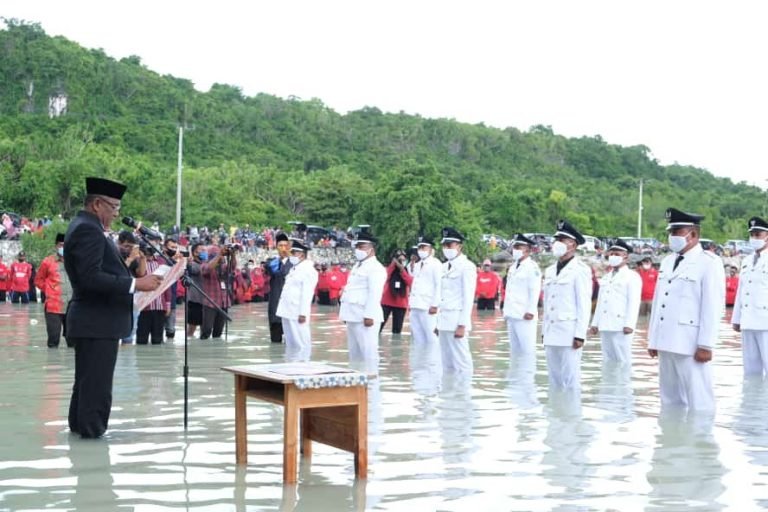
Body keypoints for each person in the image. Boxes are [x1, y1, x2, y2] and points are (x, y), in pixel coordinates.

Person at [64, 177, 162, 438]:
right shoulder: (88, 230)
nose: (117, 214)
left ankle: (81, 435)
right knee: (96, 389)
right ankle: (92, 445)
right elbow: (90, 278)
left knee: (86, 386)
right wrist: (135, 284)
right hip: (96, 322)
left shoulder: (87, 226)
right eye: (114, 207)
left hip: (93, 322)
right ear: (97, 204)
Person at [647, 208, 725, 412]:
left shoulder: (709, 263)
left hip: (690, 342)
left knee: (699, 400)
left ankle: (700, 440)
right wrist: (653, 339)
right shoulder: (667, 261)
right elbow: (658, 302)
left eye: (677, 231)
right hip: (666, 340)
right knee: (669, 400)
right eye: (671, 232)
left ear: (693, 234)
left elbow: (712, 306)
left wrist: (706, 344)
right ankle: (672, 440)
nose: (672, 236)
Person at [542, 220, 592, 390]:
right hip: (551, 332)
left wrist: (580, 335)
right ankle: (555, 413)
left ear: (573, 244)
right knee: (554, 380)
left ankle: (571, 415)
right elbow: (547, 303)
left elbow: (583, 304)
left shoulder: (581, 270)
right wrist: (543, 331)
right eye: (557, 239)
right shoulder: (549, 270)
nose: (558, 243)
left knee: (570, 380)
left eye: (562, 239)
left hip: (569, 333)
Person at [589, 238, 642, 365]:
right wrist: (595, 323)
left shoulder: (632, 276)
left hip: (621, 325)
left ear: (626, 257)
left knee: (622, 360)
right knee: (608, 360)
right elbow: (601, 302)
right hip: (605, 323)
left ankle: (622, 385)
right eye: (611, 254)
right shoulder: (606, 277)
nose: (613, 256)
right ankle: (609, 384)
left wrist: (629, 324)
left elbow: (634, 302)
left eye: (617, 254)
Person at [339, 233, 387, 371]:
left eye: (362, 246)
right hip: (353, 315)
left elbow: (374, 293)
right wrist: (345, 314)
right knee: (354, 357)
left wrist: (369, 315)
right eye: (357, 246)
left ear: (371, 249)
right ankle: (357, 388)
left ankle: (371, 387)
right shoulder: (358, 266)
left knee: (368, 355)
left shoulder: (376, 268)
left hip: (365, 317)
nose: (358, 249)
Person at [437, 227, 477, 374]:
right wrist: (437, 322)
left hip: (456, 320)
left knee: (462, 361)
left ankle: (463, 392)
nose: (446, 248)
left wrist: (462, 324)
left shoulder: (467, 267)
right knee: (446, 362)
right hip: (443, 320)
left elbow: (468, 298)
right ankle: (449, 393)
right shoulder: (443, 267)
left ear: (459, 246)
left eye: (450, 245)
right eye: (445, 245)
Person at [732, 216, 768, 378]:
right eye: (752, 234)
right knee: (750, 372)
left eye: (758, 234)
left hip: (765, 322)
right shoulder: (746, 260)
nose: (754, 238)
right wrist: (736, 319)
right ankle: (752, 403)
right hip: (748, 321)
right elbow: (741, 291)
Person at [276, 239, 319, 361]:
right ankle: (290, 366)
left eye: (294, 252)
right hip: (287, 310)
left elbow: (307, 294)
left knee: (301, 343)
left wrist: (303, 313)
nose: (291, 255)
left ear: (302, 254)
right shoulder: (294, 268)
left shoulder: (308, 270)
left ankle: (303, 365)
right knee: (290, 343)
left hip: (297, 312)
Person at [502, 234, 542, 356]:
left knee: (526, 351)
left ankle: (527, 374)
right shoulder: (513, 267)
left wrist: (530, 310)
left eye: (519, 247)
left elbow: (534, 289)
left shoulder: (532, 267)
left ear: (528, 249)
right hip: (512, 313)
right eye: (515, 247)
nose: (516, 250)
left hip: (524, 315)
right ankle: (516, 375)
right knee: (515, 352)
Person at [34, 233, 73, 348]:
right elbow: (38, 280)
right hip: (53, 306)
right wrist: (49, 290)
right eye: (61, 245)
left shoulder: (74, 261)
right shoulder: (47, 262)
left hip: (72, 306)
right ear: (56, 246)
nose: (63, 248)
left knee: (73, 341)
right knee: (53, 339)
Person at [408, 236, 442, 347]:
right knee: (418, 338)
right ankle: (421, 362)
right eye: (419, 248)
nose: (421, 250)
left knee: (431, 338)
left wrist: (435, 305)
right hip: (415, 304)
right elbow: (412, 277)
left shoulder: (436, 264)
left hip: (428, 306)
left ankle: (432, 362)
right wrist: (411, 263)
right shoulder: (417, 265)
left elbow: (439, 285)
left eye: (424, 247)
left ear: (431, 249)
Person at [266, 233, 293, 343]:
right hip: (275, 304)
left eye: (285, 246)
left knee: (291, 340)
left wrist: (290, 257)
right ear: (276, 247)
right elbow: (271, 270)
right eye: (280, 246)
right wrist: (281, 259)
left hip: (290, 305)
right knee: (275, 340)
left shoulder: (295, 264)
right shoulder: (271, 262)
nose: (283, 248)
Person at [380, 249, 413, 335]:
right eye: (399, 260)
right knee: (379, 326)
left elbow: (410, 282)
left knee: (397, 330)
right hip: (387, 302)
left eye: (403, 260)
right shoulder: (388, 269)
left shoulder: (408, 270)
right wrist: (393, 265)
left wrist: (402, 270)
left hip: (401, 303)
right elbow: (384, 278)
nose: (401, 262)